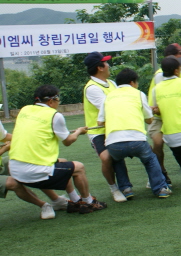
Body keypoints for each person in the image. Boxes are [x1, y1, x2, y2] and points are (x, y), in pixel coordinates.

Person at [9, 85, 107, 215]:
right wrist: (78, 131)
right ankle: (88, 202)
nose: (58, 103)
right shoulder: (55, 115)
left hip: (15, 169)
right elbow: (67, 141)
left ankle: (75, 200)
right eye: (58, 100)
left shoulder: (24, 110)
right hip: (33, 173)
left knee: (64, 162)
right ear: (51, 101)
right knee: (79, 168)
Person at [97, 68, 171, 199]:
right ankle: (160, 188)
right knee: (150, 159)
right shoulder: (138, 94)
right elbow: (149, 120)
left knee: (117, 160)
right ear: (132, 82)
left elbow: (100, 122)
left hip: (114, 143)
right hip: (136, 140)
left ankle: (126, 189)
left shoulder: (108, 96)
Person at [82, 51, 130, 202]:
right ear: (100, 67)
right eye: (106, 62)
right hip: (98, 131)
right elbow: (110, 108)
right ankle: (114, 188)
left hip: (113, 127)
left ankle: (126, 187)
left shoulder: (111, 83)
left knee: (118, 154)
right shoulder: (92, 88)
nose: (108, 65)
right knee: (106, 157)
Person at [146, 43, 181, 186]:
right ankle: (159, 174)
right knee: (158, 143)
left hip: (171, 114)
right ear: (171, 57)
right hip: (158, 116)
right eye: (180, 54)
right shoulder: (161, 75)